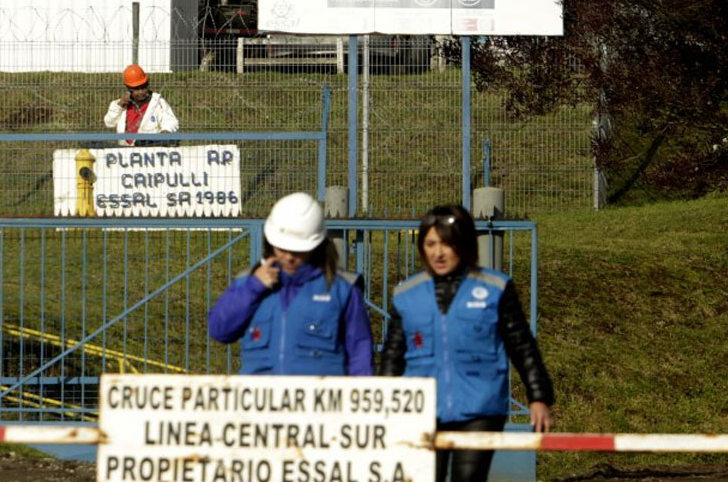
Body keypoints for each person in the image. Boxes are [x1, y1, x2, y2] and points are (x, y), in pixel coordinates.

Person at [378, 204, 554, 482]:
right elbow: (392, 356)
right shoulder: (406, 295)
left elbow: (521, 344)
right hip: (420, 409)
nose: (438, 252)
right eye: (431, 243)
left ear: (464, 243)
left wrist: (538, 396)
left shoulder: (496, 288)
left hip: (481, 407)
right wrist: (381, 404)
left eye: (447, 243)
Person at [208, 192, 374, 375]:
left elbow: (360, 354)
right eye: (282, 248)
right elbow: (220, 330)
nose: (289, 257)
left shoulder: (342, 289)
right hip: (260, 401)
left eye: (297, 250)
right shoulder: (248, 283)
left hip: (319, 401)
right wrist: (253, 288)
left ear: (316, 245)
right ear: (270, 242)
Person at [103, 64, 179, 146]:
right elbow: (109, 123)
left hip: (149, 152)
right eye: (137, 88)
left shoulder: (157, 102)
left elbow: (170, 121)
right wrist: (120, 106)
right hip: (125, 151)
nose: (141, 92)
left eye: (143, 87)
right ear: (129, 89)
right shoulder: (121, 106)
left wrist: (165, 132)